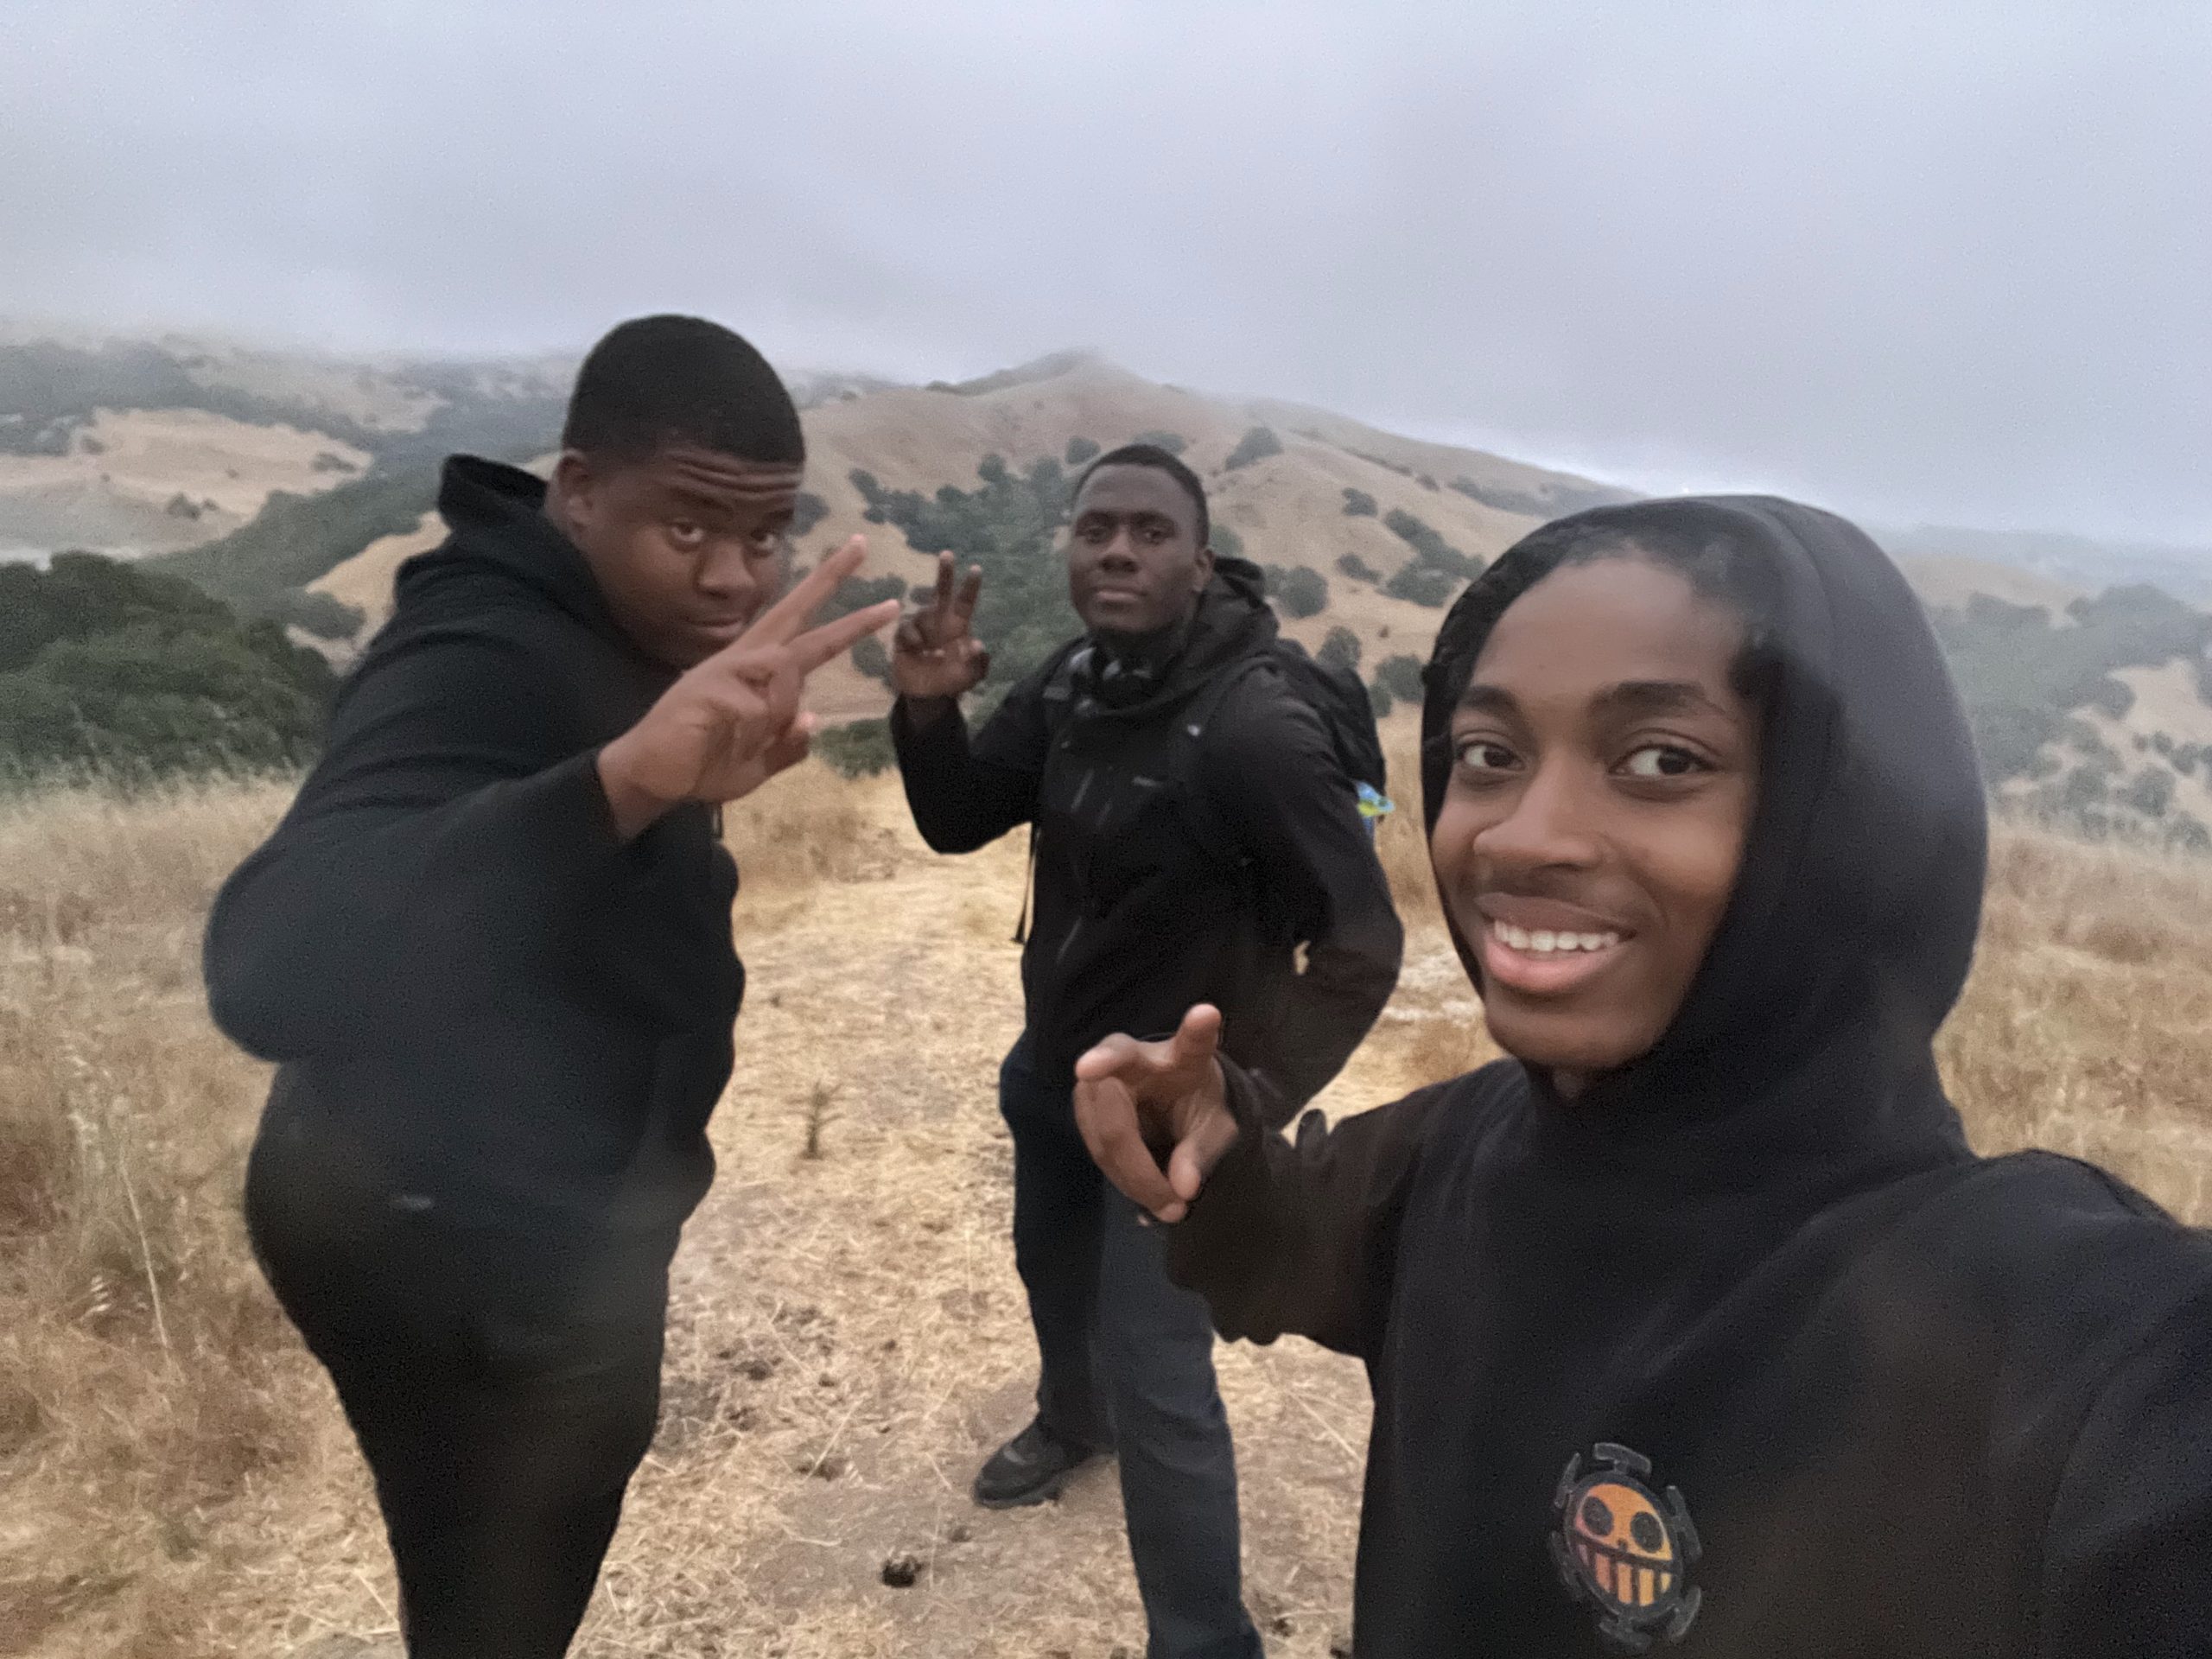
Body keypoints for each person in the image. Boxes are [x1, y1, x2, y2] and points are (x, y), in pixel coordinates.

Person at [1073, 495, 2212, 1658]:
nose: (1522, 834)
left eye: (1662, 760)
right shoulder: (1465, 1148)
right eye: (1488, 755)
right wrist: (1213, 1143)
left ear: (1842, 818)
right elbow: (1286, 1241)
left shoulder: (2047, 1336)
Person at [203, 315, 900, 1659]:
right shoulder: (483, 648)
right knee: (494, 1604)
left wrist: (652, 793)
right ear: (578, 490)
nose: (732, 578)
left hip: (532, 1226)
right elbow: (268, 967)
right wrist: (624, 782)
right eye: (688, 528)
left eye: (762, 538)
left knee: (502, 1586)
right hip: (447, 1248)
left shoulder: (615, 626)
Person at [889, 443, 1404, 1658]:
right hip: (1053, 1072)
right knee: (1046, 1273)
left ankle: (1205, 1641)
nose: (1117, 549)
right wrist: (925, 709)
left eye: (1149, 532)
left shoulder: (1256, 731)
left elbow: (1363, 947)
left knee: (1166, 1385)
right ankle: (1073, 1422)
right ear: (1068, 549)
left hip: (1172, 1124)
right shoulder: (1077, 683)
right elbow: (958, 819)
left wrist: (1247, 1098)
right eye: (1095, 529)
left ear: (1199, 559)